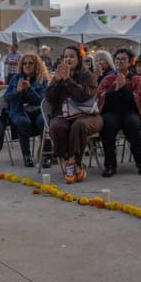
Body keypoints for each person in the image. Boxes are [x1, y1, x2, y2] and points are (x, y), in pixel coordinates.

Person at [45, 46, 103, 183]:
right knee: (56, 126)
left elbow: (83, 95)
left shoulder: (88, 75)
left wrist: (68, 80)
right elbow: (49, 98)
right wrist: (57, 82)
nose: (68, 59)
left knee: (79, 125)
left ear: (79, 59)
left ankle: (73, 162)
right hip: (64, 116)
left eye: (71, 56)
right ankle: (68, 161)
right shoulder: (58, 75)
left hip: (88, 115)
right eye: (65, 57)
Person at [96, 48, 141, 177]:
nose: (120, 62)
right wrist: (115, 89)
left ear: (129, 62)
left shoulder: (136, 79)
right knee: (107, 124)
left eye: (123, 59)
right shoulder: (108, 79)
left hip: (130, 111)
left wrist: (123, 90)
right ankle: (110, 165)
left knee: (133, 123)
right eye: (117, 59)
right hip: (112, 112)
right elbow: (101, 98)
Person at [4, 53, 49, 167]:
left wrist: (29, 89)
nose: (27, 65)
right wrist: (17, 91)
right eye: (24, 63)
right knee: (23, 122)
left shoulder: (42, 79)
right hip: (19, 110)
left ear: (36, 65)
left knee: (43, 121)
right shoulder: (15, 78)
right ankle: (27, 155)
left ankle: (46, 156)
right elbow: (7, 97)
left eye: (30, 63)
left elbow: (41, 100)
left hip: (37, 110)